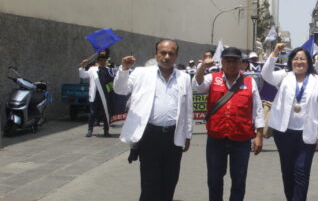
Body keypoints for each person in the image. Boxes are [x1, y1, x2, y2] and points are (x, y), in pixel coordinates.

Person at [114, 39, 193, 201]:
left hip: (173, 136)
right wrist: (123, 69)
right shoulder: (141, 73)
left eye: (171, 53)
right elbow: (120, 89)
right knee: (150, 182)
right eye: (163, 53)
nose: (166, 57)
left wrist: (188, 135)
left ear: (176, 56)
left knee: (170, 181)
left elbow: (188, 109)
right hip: (150, 136)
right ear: (156, 54)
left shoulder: (184, 77)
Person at [194, 47, 264, 201]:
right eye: (228, 61)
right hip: (216, 138)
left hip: (241, 140)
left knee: (239, 180)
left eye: (235, 61)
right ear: (222, 63)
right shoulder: (212, 78)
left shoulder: (249, 81)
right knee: (214, 179)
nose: (231, 64)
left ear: (242, 64)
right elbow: (197, 85)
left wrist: (259, 136)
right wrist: (202, 67)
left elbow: (258, 110)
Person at [261, 43, 318, 201]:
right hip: (283, 133)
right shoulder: (284, 76)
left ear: (309, 62)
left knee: (301, 172)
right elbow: (266, 75)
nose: (299, 62)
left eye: (303, 59)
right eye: (296, 59)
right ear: (291, 61)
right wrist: (275, 53)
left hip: (307, 135)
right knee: (287, 172)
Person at [78, 52, 115, 137]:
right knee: (92, 113)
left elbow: (114, 81)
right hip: (94, 95)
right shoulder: (92, 69)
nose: (102, 62)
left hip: (105, 96)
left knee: (106, 113)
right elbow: (83, 75)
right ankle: (90, 130)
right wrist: (82, 66)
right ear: (98, 61)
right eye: (101, 60)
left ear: (106, 61)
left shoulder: (109, 70)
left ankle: (106, 131)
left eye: (104, 61)